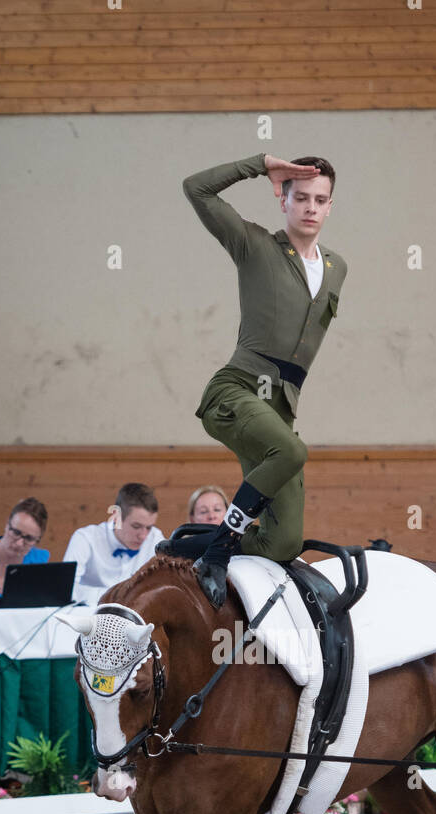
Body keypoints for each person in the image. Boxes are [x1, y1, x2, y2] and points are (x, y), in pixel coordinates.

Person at [171, 152, 347, 607]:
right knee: (291, 451)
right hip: (234, 392)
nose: (310, 207)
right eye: (301, 196)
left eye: (320, 199)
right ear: (283, 201)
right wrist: (259, 164)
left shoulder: (335, 268)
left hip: (278, 411)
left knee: (284, 543)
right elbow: (196, 186)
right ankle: (218, 549)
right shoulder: (254, 245)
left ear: (331, 206)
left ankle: (186, 546)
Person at [63, 482, 164, 605]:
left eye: (149, 527)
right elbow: (66, 588)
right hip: (88, 614)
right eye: (136, 526)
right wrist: (113, 596)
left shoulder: (156, 539)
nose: (143, 535)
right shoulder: (86, 538)